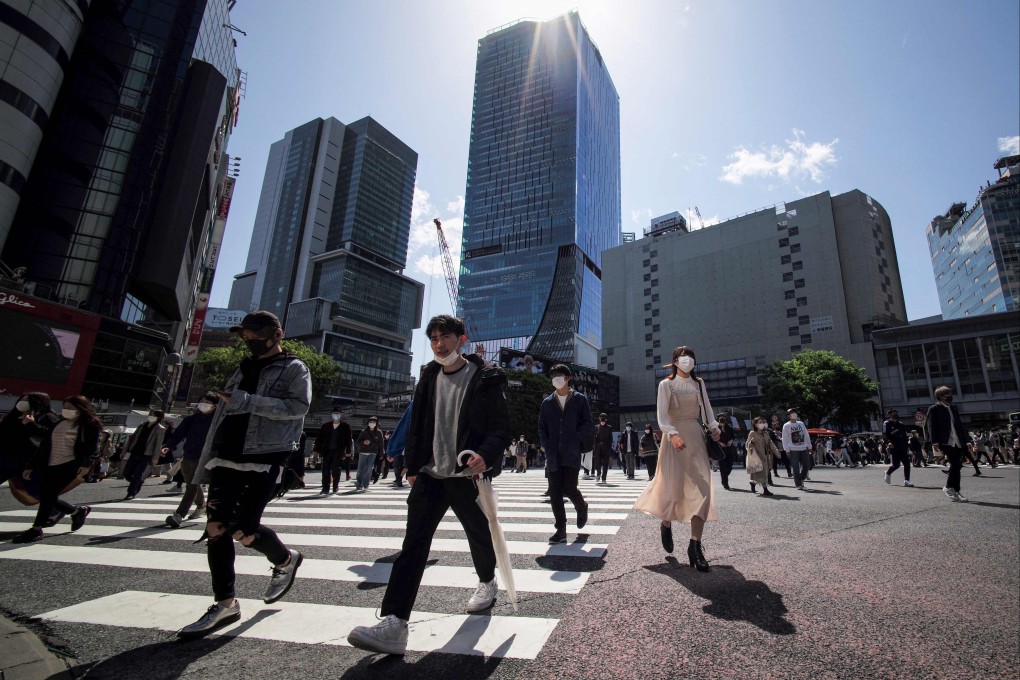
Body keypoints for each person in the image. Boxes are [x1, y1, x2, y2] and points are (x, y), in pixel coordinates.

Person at [346, 315, 511, 656]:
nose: (439, 344)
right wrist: (411, 465)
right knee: (413, 545)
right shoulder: (428, 376)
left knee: (479, 535)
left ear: (461, 339)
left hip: (466, 476)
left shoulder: (485, 378)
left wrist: (485, 455)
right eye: (434, 338)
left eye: (445, 337)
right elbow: (418, 423)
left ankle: (486, 581)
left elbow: (500, 428)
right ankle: (394, 622)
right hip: (430, 475)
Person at [177, 310, 310, 640]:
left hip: (263, 455)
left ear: (276, 334)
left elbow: (297, 408)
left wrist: (245, 400)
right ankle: (225, 603)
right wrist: (218, 400)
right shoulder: (242, 368)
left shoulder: (294, 368)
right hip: (225, 453)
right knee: (216, 528)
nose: (249, 341)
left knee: (243, 529)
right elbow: (232, 403)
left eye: (256, 335)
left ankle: (285, 559)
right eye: (246, 336)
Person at [634, 346, 721, 572]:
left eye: (691, 357)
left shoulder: (699, 383)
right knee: (672, 488)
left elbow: (708, 412)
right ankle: (666, 523)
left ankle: (695, 545)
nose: (688, 361)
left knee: (703, 489)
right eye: (683, 358)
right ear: (674, 361)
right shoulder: (666, 385)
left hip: (696, 436)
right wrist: (671, 434)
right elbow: (662, 416)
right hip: (673, 439)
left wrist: (714, 428)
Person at [11, 395, 101, 543]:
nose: (67, 411)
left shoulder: (90, 425)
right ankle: (77, 511)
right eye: (65, 407)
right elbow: (44, 446)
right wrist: (31, 466)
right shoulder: (59, 423)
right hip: (50, 464)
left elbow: (92, 448)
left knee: (48, 495)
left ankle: (36, 529)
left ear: (81, 409)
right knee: (45, 495)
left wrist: (86, 464)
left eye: (71, 408)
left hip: (70, 465)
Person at [538, 364, 594, 544]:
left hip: (571, 451)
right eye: (553, 375)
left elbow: (587, 423)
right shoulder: (547, 403)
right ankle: (560, 530)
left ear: (568, 378)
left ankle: (581, 506)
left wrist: (576, 438)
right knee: (555, 492)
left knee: (569, 488)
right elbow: (542, 427)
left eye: (559, 375)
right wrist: (546, 445)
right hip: (553, 453)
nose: (556, 378)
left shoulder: (579, 399)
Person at [163, 394, 221, 527]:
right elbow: (179, 433)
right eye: (201, 401)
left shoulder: (217, 421)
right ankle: (201, 506)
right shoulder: (192, 419)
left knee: (192, 486)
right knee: (192, 483)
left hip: (206, 457)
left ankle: (179, 515)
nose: (203, 404)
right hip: (188, 454)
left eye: (207, 402)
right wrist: (168, 446)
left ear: (215, 406)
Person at [924, 385, 972, 502]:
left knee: (958, 465)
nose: (950, 397)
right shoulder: (934, 408)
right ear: (940, 397)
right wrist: (934, 441)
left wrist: (967, 440)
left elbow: (960, 426)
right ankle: (948, 487)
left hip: (957, 440)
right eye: (947, 395)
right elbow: (930, 426)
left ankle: (956, 490)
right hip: (945, 441)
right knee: (955, 463)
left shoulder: (953, 408)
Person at [1, 393, 60, 487]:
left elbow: (52, 435)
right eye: (22, 399)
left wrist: (31, 424)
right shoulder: (13, 415)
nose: (22, 402)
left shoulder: (48, 416)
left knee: (37, 494)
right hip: (6, 456)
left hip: (26, 460)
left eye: (27, 400)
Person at [122, 409, 166, 500]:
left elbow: (158, 444)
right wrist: (124, 451)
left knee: (138, 473)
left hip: (146, 454)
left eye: (153, 414)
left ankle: (131, 492)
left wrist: (155, 457)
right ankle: (139, 482)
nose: (151, 416)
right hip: (135, 451)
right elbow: (132, 439)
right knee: (126, 473)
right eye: (150, 414)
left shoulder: (160, 428)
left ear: (159, 417)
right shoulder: (142, 425)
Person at [312, 406, 353, 494]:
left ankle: (335, 486)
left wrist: (349, 452)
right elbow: (319, 439)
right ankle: (325, 488)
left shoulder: (345, 426)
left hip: (338, 451)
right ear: (331, 415)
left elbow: (348, 440)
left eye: (338, 414)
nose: (336, 415)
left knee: (336, 469)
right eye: (334, 414)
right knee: (325, 469)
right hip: (327, 450)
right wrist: (316, 450)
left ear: (341, 415)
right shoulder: (325, 426)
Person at [745, 417, 777, 496]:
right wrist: (751, 442)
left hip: (766, 455)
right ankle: (765, 489)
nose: (762, 424)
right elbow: (747, 445)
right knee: (762, 472)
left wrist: (776, 451)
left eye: (762, 422)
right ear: (755, 424)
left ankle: (753, 482)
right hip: (758, 455)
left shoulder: (765, 433)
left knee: (763, 471)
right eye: (760, 422)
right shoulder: (752, 433)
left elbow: (770, 443)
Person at [781, 408, 812, 491]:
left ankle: (801, 478)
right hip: (793, 449)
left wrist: (809, 446)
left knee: (806, 464)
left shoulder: (801, 424)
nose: (794, 414)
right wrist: (787, 450)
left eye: (795, 412)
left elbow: (806, 435)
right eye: (792, 413)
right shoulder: (786, 425)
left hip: (803, 447)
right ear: (789, 416)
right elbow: (785, 439)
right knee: (795, 467)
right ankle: (798, 484)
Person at [883, 409, 913, 487]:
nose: (895, 415)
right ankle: (888, 472)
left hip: (902, 446)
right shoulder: (887, 424)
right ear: (890, 415)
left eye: (896, 413)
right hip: (893, 446)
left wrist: (907, 445)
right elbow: (885, 435)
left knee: (907, 464)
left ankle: (906, 480)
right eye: (893, 414)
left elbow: (905, 436)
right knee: (896, 465)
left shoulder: (901, 425)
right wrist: (888, 442)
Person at [354, 416, 384, 492]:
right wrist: (363, 442)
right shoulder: (364, 431)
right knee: (360, 469)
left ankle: (366, 484)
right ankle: (359, 484)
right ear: (368, 423)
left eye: (374, 422)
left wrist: (381, 453)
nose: (372, 423)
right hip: (363, 452)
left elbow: (381, 444)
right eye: (370, 422)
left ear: (377, 423)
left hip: (373, 453)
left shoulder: (379, 432)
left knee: (369, 469)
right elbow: (358, 442)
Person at [715, 413, 736, 490]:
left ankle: (724, 477)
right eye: (720, 419)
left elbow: (733, 437)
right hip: (720, 450)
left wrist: (731, 441)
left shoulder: (729, 428)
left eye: (723, 418)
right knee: (723, 467)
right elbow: (712, 437)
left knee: (729, 466)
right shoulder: (715, 428)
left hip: (729, 449)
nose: (722, 420)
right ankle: (726, 484)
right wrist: (719, 442)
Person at [592, 413, 613, 485]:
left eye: (604, 421)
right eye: (601, 421)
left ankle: (604, 478)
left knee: (605, 464)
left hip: (606, 449)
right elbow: (594, 438)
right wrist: (595, 446)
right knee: (597, 463)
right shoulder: (596, 427)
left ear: (606, 420)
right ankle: (598, 474)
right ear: (599, 420)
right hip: (598, 448)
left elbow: (610, 439)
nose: (603, 422)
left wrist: (609, 448)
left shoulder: (609, 428)